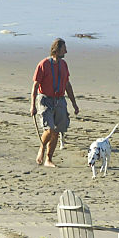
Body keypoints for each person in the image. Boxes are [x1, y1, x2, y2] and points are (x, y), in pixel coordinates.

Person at [30, 38, 79, 167]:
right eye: (64, 49)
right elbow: (35, 86)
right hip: (45, 100)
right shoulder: (43, 64)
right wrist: (32, 106)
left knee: (57, 131)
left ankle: (49, 159)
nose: (66, 51)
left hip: (60, 100)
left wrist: (74, 104)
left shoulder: (64, 65)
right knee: (49, 129)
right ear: (56, 50)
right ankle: (42, 148)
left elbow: (67, 85)